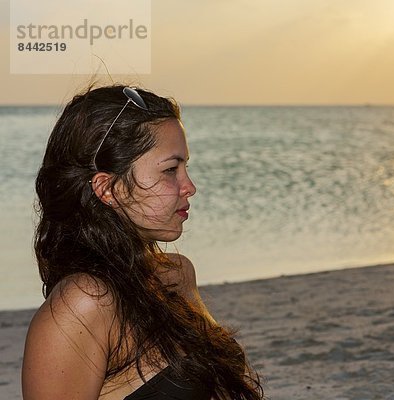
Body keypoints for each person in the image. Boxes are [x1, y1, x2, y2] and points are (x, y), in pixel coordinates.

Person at [22, 84, 263, 400]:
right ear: (108, 189)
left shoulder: (175, 275)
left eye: (185, 167)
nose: (189, 186)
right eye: (170, 170)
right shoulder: (83, 304)